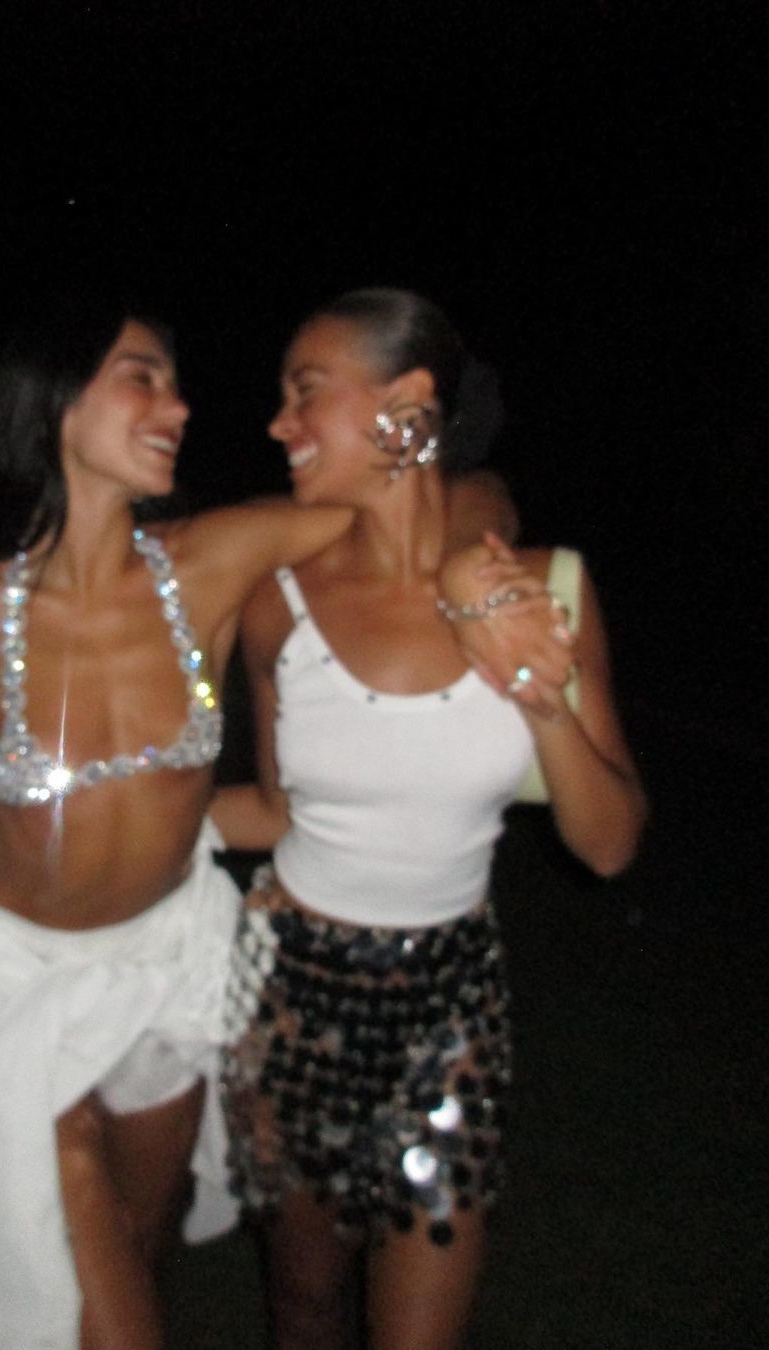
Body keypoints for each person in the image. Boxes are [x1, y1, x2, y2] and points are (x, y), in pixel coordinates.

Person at [0, 302, 365, 1350]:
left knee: (141, 1243)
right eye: (143, 377)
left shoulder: (213, 562)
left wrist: (477, 492)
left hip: (166, 966)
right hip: (1, 983)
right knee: (68, 1248)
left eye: (174, 381)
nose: (179, 406)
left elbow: (393, 514)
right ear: (56, 403)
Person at [211, 288, 647, 1350]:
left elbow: (608, 844)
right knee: (305, 1305)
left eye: (305, 392)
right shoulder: (275, 603)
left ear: (406, 405)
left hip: (452, 1012)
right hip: (289, 1000)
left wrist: (537, 693)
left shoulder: (542, 589)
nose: (278, 423)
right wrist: (104, 823)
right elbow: (273, 809)